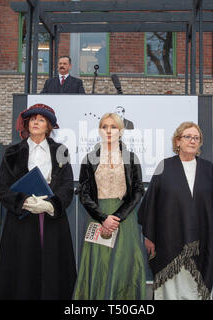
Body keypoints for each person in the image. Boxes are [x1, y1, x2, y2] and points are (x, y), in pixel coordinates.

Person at [138, 122, 213, 300]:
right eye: (188, 137)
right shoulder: (165, 167)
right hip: (168, 242)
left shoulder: (208, 169)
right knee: (170, 291)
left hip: (201, 242)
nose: (192, 141)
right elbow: (152, 203)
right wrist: (150, 236)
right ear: (177, 141)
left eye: (196, 138)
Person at [0, 104, 76, 299]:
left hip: (52, 221)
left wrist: (51, 204)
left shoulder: (60, 150)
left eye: (41, 119)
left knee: (53, 269)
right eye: (32, 119)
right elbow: (3, 187)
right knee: (22, 269)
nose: (35, 122)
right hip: (22, 220)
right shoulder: (13, 152)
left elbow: (66, 185)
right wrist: (24, 201)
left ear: (49, 127)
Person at [73, 112, 146, 299]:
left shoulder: (131, 157)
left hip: (125, 219)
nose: (108, 130)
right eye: (104, 126)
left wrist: (117, 217)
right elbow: (84, 193)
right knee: (98, 265)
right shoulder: (89, 158)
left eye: (113, 127)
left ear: (120, 131)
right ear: (99, 130)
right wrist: (103, 218)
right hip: (97, 217)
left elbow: (138, 190)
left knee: (124, 266)